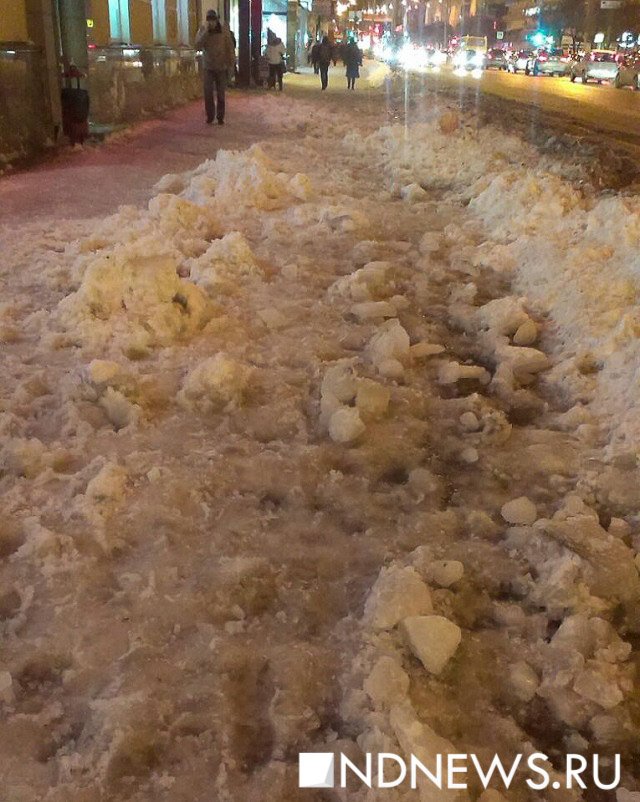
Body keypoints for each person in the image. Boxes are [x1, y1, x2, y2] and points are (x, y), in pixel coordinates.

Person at [195, 9, 236, 125]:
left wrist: (230, 64)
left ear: (216, 20)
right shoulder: (203, 30)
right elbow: (197, 45)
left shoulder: (224, 32)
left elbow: (229, 48)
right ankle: (210, 115)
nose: (211, 23)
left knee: (221, 94)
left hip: (221, 67)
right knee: (208, 93)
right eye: (209, 20)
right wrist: (206, 32)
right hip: (208, 67)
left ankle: (220, 116)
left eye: (213, 20)